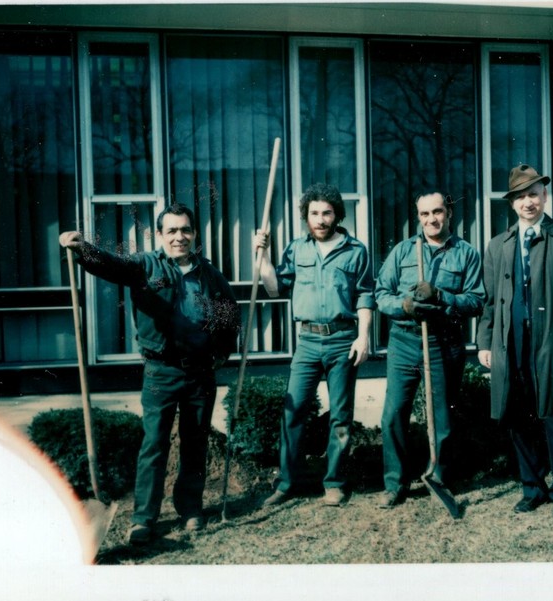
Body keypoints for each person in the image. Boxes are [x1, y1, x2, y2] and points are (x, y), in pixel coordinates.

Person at [59, 202, 240, 544]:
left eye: (185, 229)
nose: (179, 236)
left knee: (195, 443)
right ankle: (143, 519)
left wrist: (223, 351)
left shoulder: (209, 274)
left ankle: (190, 510)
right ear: (159, 235)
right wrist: (82, 248)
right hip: (161, 372)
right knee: (154, 445)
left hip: (200, 374)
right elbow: (111, 266)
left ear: (194, 234)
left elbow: (229, 312)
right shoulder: (144, 266)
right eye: (171, 230)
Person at [476, 164, 553, 518]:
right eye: (520, 196)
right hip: (511, 341)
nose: (528, 202)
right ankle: (533, 488)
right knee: (516, 414)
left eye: (534, 194)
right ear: (511, 204)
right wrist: (485, 342)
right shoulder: (498, 246)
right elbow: (489, 300)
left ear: (545, 196)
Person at [253, 182, 375, 507]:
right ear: (306, 216)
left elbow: (365, 295)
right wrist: (262, 257)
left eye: (326, 213)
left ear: (337, 215)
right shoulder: (296, 249)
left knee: (341, 415)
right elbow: (275, 288)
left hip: (342, 340)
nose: (320, 220)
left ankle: (334, 483)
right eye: (314, 213)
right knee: (293, 412)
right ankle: (286, 482)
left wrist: (364, 336)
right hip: (306, 341)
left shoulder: (356, 251)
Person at [375, 190, 485, 508]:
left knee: (442, 418)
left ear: (449, 213)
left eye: (437, 212)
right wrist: (405, 305)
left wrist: (441, 296)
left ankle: (438, 477)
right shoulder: (403, 251)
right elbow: (381, 294)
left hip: (443, 343)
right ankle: (395, 484)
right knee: (393, 413)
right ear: (418, 216)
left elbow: (477, 300)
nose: (431, 219)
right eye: (424, 214)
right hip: (404, 342)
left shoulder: (466, 254)